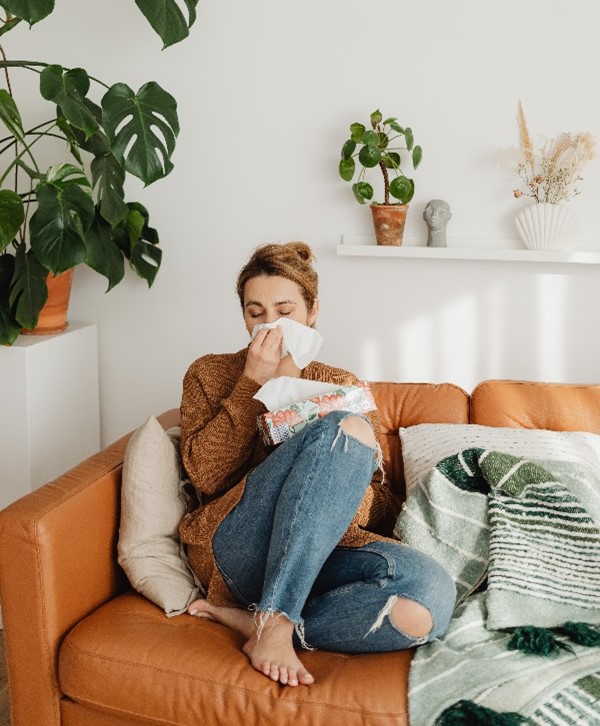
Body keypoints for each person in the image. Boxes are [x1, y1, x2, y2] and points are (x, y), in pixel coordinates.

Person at [179, 241, 456, 688]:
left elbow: (375, 507)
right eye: (256, 312)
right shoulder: (209, 374)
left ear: (312, 312)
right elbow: (207, 477)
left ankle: (267, 624)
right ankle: (275, 621)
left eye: (284, 310)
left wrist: (324, 472)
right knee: (340, 429)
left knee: (429, 597)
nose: (270, 324)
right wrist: (255, 384)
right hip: (237, 547)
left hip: (320, 555)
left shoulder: (342, 384)